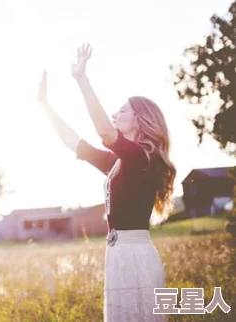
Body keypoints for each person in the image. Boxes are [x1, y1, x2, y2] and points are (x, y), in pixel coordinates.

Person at [37, 44, 176, 322]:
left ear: (140, 119)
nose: (115, 115)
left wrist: (82, 80)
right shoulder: (121, 162)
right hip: (119, 255)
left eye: (122, 111)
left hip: (135, 257)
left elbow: (104, 130)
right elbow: (74, 142)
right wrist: (45, 106)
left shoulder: (144, 158)